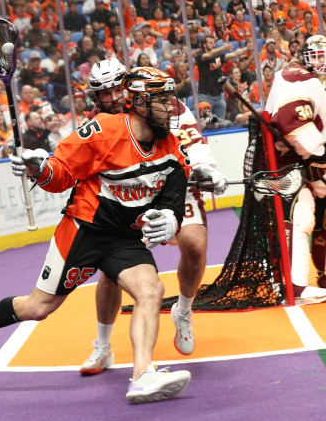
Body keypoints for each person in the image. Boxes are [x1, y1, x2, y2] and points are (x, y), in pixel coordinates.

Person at [0, 67, 192, 404]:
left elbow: (173, 191)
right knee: (38, 307)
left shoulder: (169, 145)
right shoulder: (102, 132)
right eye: (162, 100)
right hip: (84, 230)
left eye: (170, 98)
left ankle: (141, 377)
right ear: (138, 102)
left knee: (151, 290)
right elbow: (59, 174)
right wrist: (39, 167)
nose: (172, 107)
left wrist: (171, 218)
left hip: (124, 237)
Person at [79, 59, 226, 373]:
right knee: (111, 270)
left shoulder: (162, 102)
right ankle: (103, 347)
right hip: (127, 194)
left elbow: (191, 143)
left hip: (173, 182)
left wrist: (206, 169)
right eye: (104, 93)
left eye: (118, 88)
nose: (113, 97)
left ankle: (182, 312)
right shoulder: (97, 124)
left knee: (195, 245)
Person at [264, 35, 326, 305]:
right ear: (305, 56)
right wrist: (315, 153)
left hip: (321, 172)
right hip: (295, 167)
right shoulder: (294, 76)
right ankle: (295, 287)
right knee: (301, 218)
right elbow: (289, 118)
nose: (322, 61)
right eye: (316, 55)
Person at [196, 35, 249, 120]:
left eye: (214, 42)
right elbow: (209, 55)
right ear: (204, 45)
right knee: (206, 121)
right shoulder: (200, 56)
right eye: (210, 43)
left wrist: (247, 48)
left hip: (218, 96)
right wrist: (222, 48)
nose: (213, 45)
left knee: (220, 122)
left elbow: (235, 54)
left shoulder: (218, 57)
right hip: (205, 96)